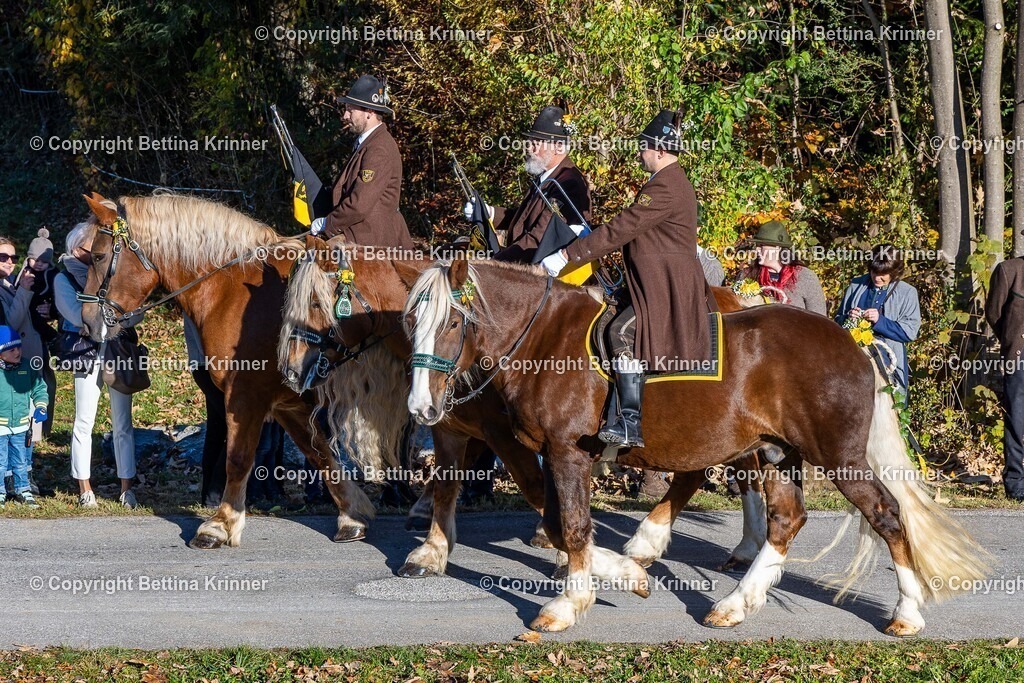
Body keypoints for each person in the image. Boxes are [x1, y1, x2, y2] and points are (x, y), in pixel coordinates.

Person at [542, 109, 716, 448]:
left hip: (668, 290)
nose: (640, 153)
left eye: (644, 148)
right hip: (654, 283)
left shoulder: (666, 186)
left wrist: (567, 255)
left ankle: (630, 422)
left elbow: (622, 228)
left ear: (661, 151)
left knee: (620, 331)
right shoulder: (668, 182)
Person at [54, 222, 138, 509]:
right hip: (84, 355)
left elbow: (134, 313)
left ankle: (127, 487)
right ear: (75, 249)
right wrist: (110, 320)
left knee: (123, 423)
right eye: (90, 246)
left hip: (118, 353)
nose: (95, 251)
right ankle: (84, 488)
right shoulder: (63, 278)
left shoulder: (111, 274)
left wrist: (104, 321)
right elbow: (76, 317)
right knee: (83, 421)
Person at [466, 106, 592, 263]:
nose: (529, 148)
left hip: (551, 279)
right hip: (529, 268)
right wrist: (489, 212)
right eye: (530, 141)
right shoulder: (549, 175)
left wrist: (494, 264)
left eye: (537, 143)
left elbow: (539, 237)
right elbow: (524, 220)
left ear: (558, 147)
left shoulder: (568, 184)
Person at [310, 75, 414, 248]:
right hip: (360, 235)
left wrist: (328, 224)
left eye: (351, 110)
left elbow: (359, 204)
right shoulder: (368, 143)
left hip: (372, 242)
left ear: (370, 112)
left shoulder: (378, 149)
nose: (345, 115)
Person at [836, 244, 921, 399]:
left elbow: (910, 332)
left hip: (888, 362)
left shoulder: (907, 293)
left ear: (894, 272)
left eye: (883, 274)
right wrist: (848, 317)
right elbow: (836, 321)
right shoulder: (856, 284)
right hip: (852, 361)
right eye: (874, 272)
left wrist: (879, 321)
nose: (877, 277)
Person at [985, 252, 1024, 501]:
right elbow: (994, 314)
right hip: (1019, 359)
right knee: (1017, 422)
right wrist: (1010, 341)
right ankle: (1016, 483)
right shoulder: (1009, 270)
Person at [0, 326, 47, 509]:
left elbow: (39, 388)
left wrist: (41, 406)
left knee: (21, 460)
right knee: (1, 461)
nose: (17, 351)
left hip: (21, 425)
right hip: (1, 427)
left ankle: (23, 489)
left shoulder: (27, 367)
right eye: (11, 349)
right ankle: (1, 491)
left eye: (18, 347)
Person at [740, 221, 826, 315]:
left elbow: (820, 320)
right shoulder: (747, 276)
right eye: (757, 246)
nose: (756, 250)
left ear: (777, 248)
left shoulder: (805, 277)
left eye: (761, 246)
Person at [24, 228, 59, 440]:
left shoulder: (54, 277)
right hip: (27, 327)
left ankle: (43, 429)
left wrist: (52, 311)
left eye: (44, 262)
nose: (38, 264)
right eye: (34, 259)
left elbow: (61, 301)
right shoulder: (23, 275)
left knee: (44, 380)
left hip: (40, 333)